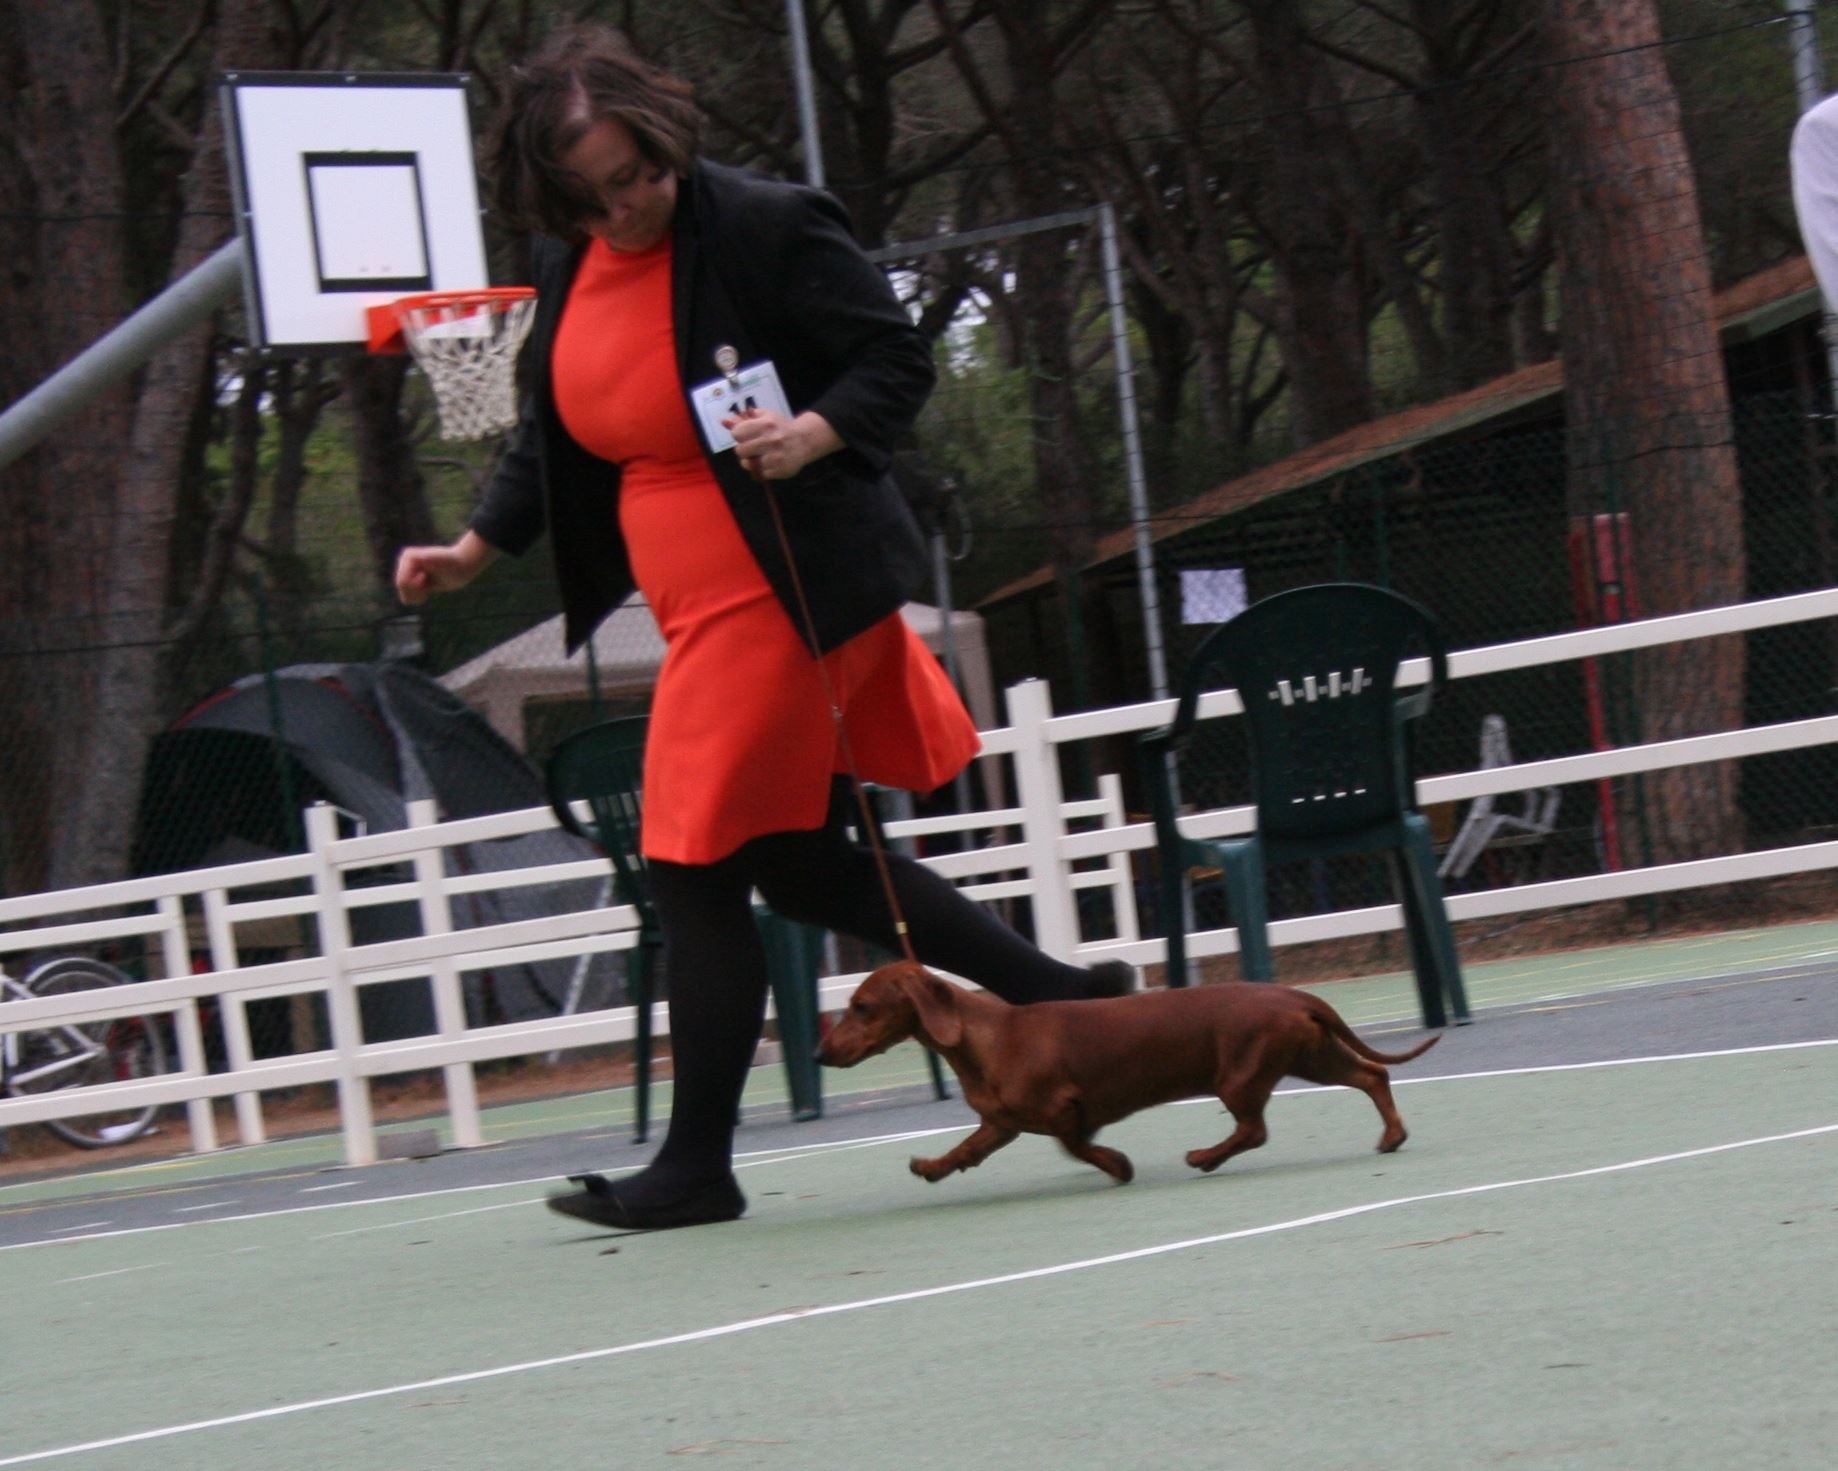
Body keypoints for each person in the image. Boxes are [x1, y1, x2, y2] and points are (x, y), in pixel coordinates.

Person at [394, 22, 1131, 1232]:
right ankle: (1058, 993)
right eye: (592, 193)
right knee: (790, 861)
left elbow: (892, 358)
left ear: (668, 140)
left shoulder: (762, 224)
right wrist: (473, 548)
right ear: (550, 194)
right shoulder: (570, 261)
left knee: (688, 867)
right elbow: (555, 435)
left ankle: (695, 1167)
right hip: (695, 605)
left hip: (783, 588)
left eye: (637, 177)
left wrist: (815, 432)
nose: (624, 208)